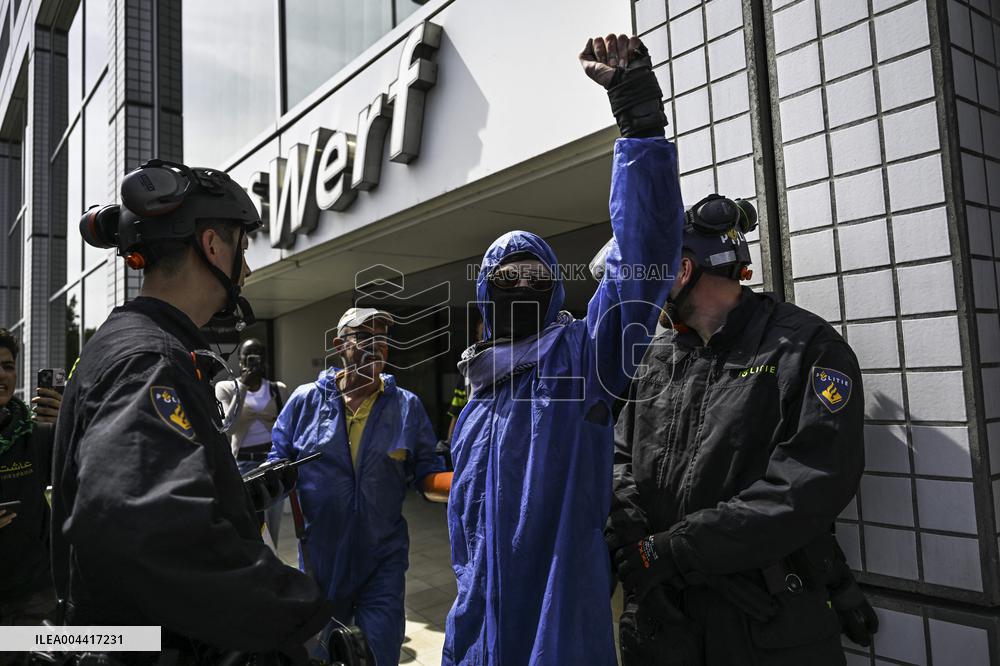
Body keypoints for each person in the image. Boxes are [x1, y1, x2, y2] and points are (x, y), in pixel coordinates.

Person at [443, 34, 683, 665]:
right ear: (484, 295)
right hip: (476, 640)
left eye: (536, 278)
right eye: (508, 280)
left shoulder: (586, 359)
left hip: (559, 638)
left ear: (555, 292)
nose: (523, 288)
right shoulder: (476, 398)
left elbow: (643, 256)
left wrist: (638, 119)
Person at [50, 160, 333, 663]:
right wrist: (300, 618)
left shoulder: (133, 343)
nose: (247, 269)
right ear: (212, 246)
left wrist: (231, 496)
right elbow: (138, 522)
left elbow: (143, 486)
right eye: (243, 248)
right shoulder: (148, 359)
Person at [606, 193, 871, 665]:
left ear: (682, 271)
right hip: (662, 619)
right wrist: (637, 546)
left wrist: (675, 550)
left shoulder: (803, 349)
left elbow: (809, 484)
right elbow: (618, 459)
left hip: (761, 623)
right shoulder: (657, 355)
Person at [270, 306, 452, 666]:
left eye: (382, 339)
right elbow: (277, 460)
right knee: (320, 654)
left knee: (378, 650)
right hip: (321, 561)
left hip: (382, 559)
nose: (375, 346)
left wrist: (463, 485)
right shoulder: (305, 401)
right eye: (364, 337)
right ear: (340, 345)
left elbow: (427, 473)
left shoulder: (406, 406)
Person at [0, 329, 63, 628]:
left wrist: (67, 426)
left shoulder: (37, 434)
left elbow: (85, 476)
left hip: (33, 596)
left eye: (7, 366)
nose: (2, 374)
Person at [216, 338, 288, 545]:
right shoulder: (227, 387)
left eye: (256, 355)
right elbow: (229, 427)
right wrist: (243, 387)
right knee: (247, 524)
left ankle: (271, 561)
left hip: (272, 463)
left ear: (264, 360)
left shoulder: (277, 389)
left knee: (272, 525)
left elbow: (286, 427)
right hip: (243, 463)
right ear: (239, 361)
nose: (251, 360)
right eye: (247, 356)